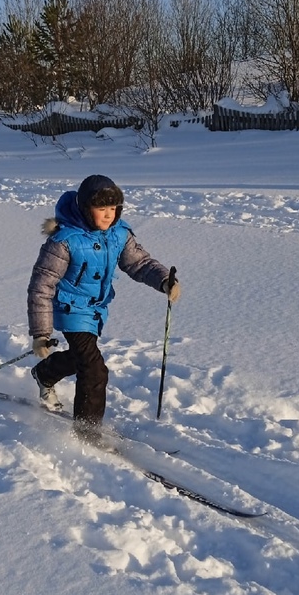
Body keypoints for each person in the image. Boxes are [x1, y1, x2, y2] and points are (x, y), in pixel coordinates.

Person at [27, 173, 180, 444]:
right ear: (86, 208)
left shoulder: (119, 234)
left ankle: (44, 373)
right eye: (101, 209)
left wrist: (164, 281)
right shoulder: (64, 241)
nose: (109, 215)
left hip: (95, 310)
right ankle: (87, 432)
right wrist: (41, 332)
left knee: (80, 358)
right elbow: (42, 285)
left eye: (113, 208)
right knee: (95, 369)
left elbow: (139, 263)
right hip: (68, 308)